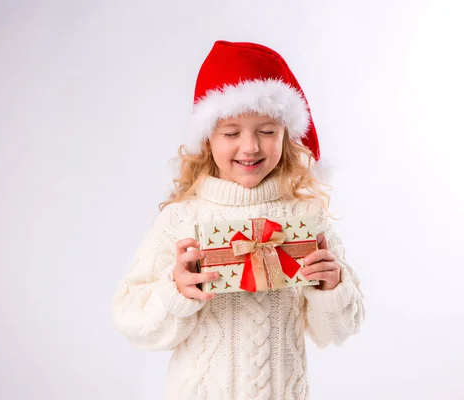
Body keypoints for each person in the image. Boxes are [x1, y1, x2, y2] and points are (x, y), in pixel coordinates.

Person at [112, 40, 365, 400]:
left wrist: (332, 288)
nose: (250, 147)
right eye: (231, 133)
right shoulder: (181, 220)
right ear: (207, 138)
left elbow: (340, 330)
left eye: (267, 131)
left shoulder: (307, 218)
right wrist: (176, 292)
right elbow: (132, 321)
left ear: (287, 136)